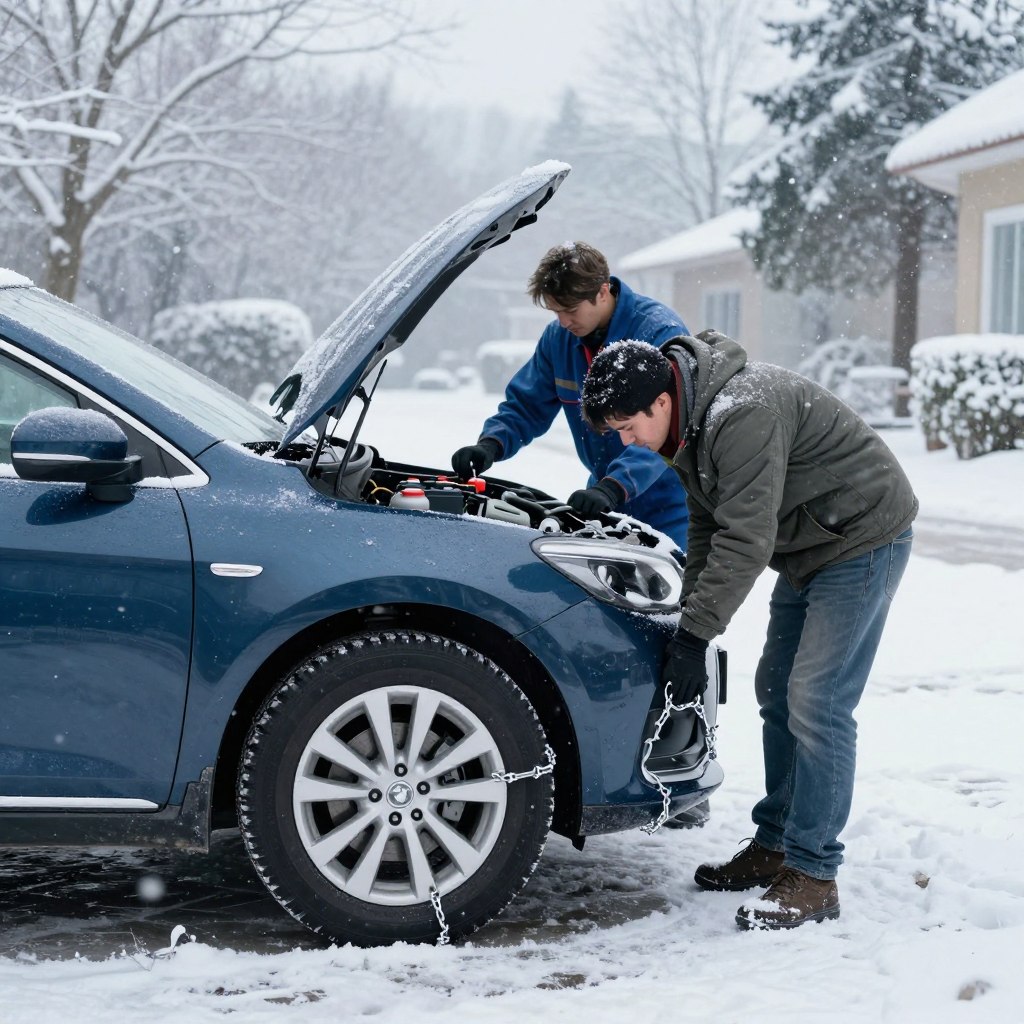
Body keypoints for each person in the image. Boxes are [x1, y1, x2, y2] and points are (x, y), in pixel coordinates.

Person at [580, 330, 917, 930]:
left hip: (861, 536)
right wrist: (686, 620)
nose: (626, 441)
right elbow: (710, 528)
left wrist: (695, 636)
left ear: (661, 401)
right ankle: (777, 843)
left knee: (818, 698)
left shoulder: (742, 412)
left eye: (628, 426)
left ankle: (814, 874)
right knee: (774, 689)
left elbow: (747, 539)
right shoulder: (688, 424)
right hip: (812, 542)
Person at [451, 241, 690, 549]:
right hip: (605, 498)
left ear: (602, 291)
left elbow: (667, 429)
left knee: (674, 595)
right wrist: (490, 445)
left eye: (570, 310)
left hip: (670, 504)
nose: (563, 322)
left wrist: (616, 486)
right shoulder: (559, 339)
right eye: (555, 312)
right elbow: (526, 405)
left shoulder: (659, 333)